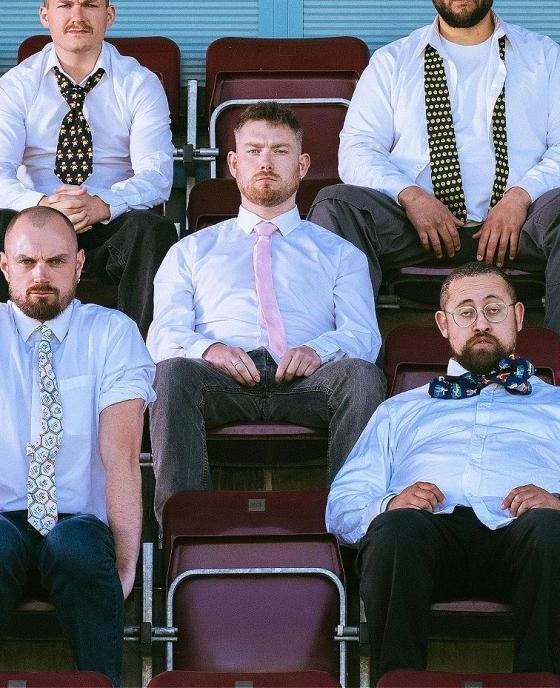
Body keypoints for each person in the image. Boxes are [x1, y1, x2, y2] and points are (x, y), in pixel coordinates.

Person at [308, 0, 560, 335]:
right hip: (416, 226)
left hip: (520, 225)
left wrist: (520, 196)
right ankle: (345, 355)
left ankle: (558, 366)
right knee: (337, 204)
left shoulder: (543, 56)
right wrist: (410, 196)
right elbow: (356, 149)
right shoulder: (393, 61)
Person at [147, 101, 385, 523]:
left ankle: (354, 529)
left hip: (308, 381)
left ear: (303, 164)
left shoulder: (340, 253)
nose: (266, 162)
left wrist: (318, 349)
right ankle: (184, 533)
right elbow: (163, 333)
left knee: (362, 376)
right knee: (170, 374)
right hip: (220, 381)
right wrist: (210, 350)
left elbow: (364, 336)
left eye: (280, 151)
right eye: (254, 151)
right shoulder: (191, 251)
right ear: (234, 164)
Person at [327, 261, 560, 684]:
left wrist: (558, 502)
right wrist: (390, 504)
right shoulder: (400, 409)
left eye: (494, 309)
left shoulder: (557, 404)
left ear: (519, 316)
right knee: (394, 529)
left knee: (551, 528)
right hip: (426, 541)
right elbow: (343, 503)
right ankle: (396, 679)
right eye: (466, 312)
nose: (481, 322)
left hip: (530, 539)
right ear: (443, 324)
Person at [0, 205, 155, 685]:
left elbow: (122, 458)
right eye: (27, 263)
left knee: (77, 548)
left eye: (57, 262)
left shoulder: (112, 333)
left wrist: (127, 566)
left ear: (80, 264)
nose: (41, 275)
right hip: (2, 519)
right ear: (5, 266)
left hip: (79, 523)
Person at [0, 0, 178, 331]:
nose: (77, 16)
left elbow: (157, 175)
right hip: (35, 219)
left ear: (109, 15)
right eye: (65, 5)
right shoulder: (16, 85)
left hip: (109, 223)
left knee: (153, 230)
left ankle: (138, 364)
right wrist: (42, 205)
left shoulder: (139, 83)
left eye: (90, 5)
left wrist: (102, 205)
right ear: (45, 15)